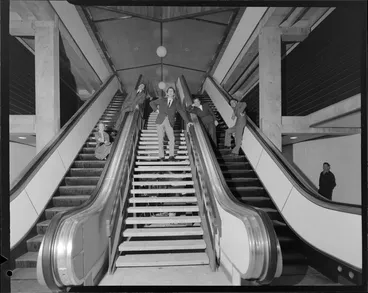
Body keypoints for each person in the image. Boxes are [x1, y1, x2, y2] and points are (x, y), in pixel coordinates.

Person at [149, 87, 193, 161]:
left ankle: (171, 156)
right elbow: (151, 103)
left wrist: (188, 121)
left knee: (172, 138)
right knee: (160, 139)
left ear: (174, 93)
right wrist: (156, 110)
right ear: (166, 93)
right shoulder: (162, 100)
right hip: (160, 121)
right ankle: (161, 156)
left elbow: (182, 112)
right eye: (169, 91)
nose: (170, 92)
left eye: (172, 91)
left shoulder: (176, 102)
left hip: (170, 122)